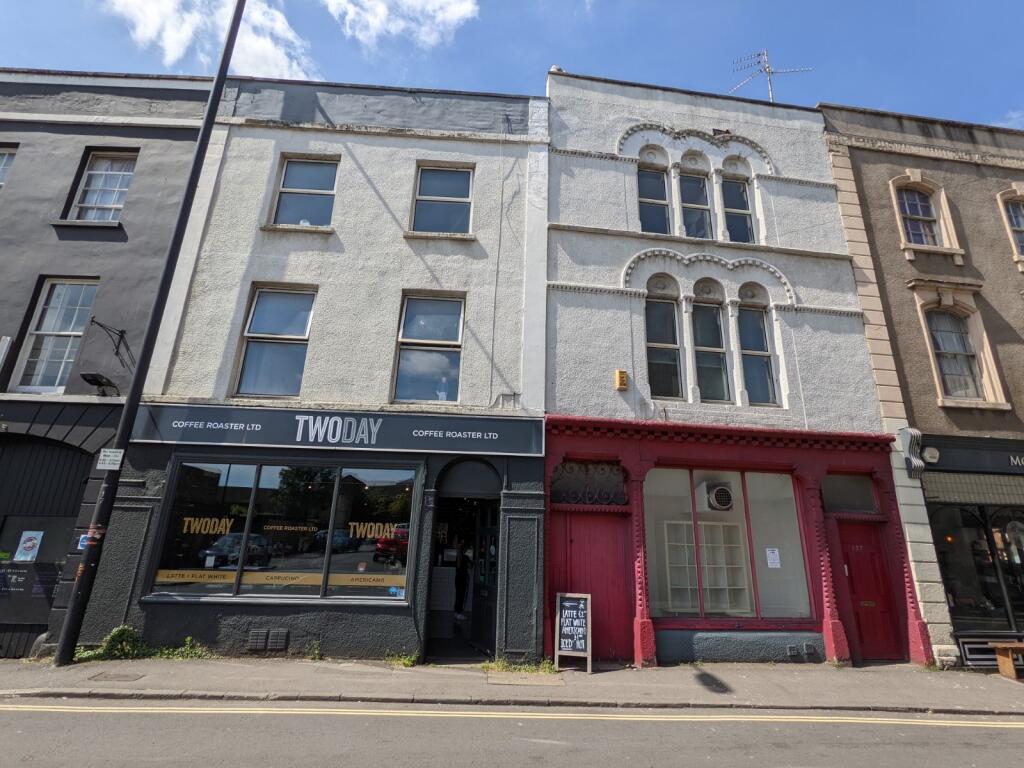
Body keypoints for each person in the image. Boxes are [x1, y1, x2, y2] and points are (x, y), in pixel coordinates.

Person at [454, 537, 471, 620]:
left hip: (458, 577)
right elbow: (471, 565)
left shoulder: (459, 557)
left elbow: (457, 567)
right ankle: (459, 612)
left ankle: (457, 612)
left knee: (458, 595)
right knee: (461, 595)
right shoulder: (464, 557)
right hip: (462, 578)